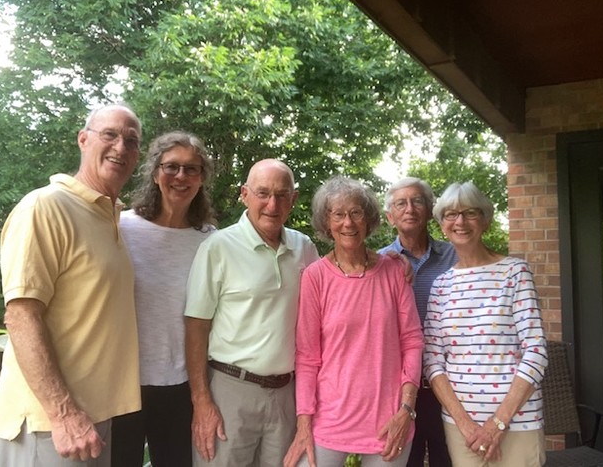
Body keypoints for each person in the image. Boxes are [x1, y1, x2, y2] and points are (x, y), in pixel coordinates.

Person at [0, 104, 142, 465]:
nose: (120, 147)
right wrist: (63, 414)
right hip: (50, 425)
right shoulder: (45, 207)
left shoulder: (110, 217)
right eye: (109, 135)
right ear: (83, 139)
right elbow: (20, 316)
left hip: (93, 419)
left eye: (131, 140)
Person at [184, 158, 321, 466]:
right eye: (263, 193)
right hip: (230, 392)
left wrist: (386, 262)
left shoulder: (305, 248)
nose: (272, 204)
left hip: (287, 396)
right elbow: (196, 327)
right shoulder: (218, 247)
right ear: (245, 194)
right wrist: (202, 401)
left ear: (293, 199)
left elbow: (336, 292)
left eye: (282, 195)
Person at [284, 176, 424, 467]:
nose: (348, 223)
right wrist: (304, 423)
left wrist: (406, 409)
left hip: (389, 419)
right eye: (338, 214)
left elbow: (412, 341)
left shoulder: (394, 271)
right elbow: (307, 357)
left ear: (368, 219)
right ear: (327, 222)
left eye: (356, 213)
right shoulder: (315, 277)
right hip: (329, 419)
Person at [423, 182, 548, 467]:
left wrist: (497, 423)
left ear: (486, 220)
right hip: (461, 430)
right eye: (451, 214)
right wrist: (465, 424)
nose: (460, 221)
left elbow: (536, 352)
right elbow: (432, 360)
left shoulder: (515, 272)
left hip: (517, 424)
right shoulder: (441, 286)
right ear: (442, 224)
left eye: (470, 213)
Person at [111, 131, 217, 467]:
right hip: (123, 382)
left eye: (191, 169)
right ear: (156, 173)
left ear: (201, 178)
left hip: (182, 385)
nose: (181, 176)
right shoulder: (120, 228)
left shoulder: (211, 241)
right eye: (171, 166)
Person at [379, 177, 457, 467]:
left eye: (417, 201)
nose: (409, 209)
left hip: (450, 382)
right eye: (401, 203)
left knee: (447, 459)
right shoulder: (380, 264)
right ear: (390, 217)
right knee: (405, 460)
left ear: (429, 210)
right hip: (400, 388)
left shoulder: (456, 256)